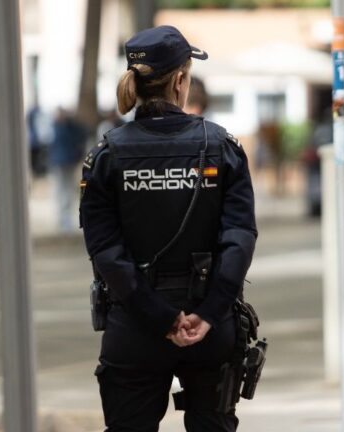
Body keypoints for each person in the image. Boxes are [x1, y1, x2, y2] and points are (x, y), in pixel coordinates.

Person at [79, 26, 257, 431]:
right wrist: (207, 314)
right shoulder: (223, 147)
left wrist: (162, 318)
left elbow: (105, 251)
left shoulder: (106, 156)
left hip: (134, 327)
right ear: (180, 81)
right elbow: (240, 239)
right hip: (211, 329)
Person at [50, 107, 85, 232]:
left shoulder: (68, 127)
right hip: (61, 162)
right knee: (62, 190)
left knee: (67, 190)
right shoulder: (57, 127)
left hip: (68, 162)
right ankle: (63, 218)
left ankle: (65, 218)